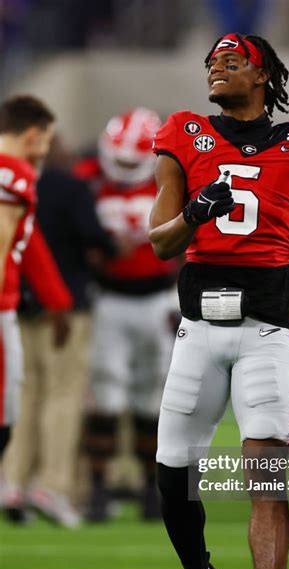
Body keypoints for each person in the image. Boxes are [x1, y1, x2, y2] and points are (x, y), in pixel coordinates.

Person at [149, 33, 289, 569]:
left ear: (262, 76)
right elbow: (161, 243)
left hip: (264, 333)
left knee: (265, 473)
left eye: (231, 62)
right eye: (211, 62)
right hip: (197, 331)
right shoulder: (184, 136)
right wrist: (197, 213)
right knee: (173, 470)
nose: (216, 69)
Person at [2, 136, 116, 527]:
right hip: (65, 305)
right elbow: (94, 235)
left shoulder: (11, 186)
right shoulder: (69, 187)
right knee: (63, 394)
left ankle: (12, 481)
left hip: (18, 304)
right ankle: (51, 486)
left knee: (23, 393)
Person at [76, 108, 178, 522]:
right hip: (109, 297)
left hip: (158, 298)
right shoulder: (87, 180)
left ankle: (151, 488)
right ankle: (99, 488)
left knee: (154, 396)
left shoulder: (173, 179)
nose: (120, 168)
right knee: (105, 394)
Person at [0, 95, 71, 475]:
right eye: (45, 140)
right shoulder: (12, 173)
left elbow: (30, 245)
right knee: (3, 419)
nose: (46, 150)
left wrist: (56, 300)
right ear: (31, 136)